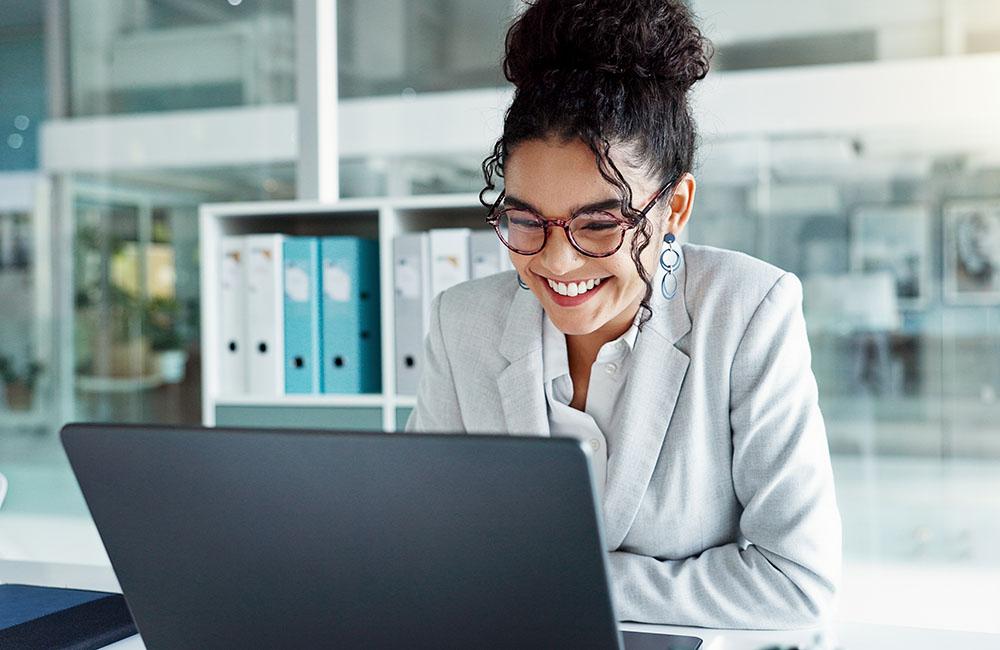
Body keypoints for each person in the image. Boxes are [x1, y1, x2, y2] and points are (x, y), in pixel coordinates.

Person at [406, 0, 841, 630]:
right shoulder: (462, 321)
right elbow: (421, 546)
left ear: (676, 206)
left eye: (601, 222)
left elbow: (795, 581)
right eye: (526, 220)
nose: (556, 261)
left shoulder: (747, 311)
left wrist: (557, 582)